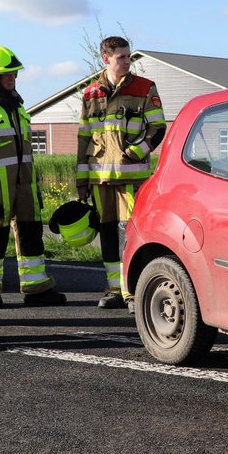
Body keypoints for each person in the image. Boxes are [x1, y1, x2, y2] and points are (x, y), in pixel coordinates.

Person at [0, 45, 66, 308]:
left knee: (30, 236)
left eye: (14, 74)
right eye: (7, 74)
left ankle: (35, 288)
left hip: (24, 187)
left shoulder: (16, 105)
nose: (12, 78)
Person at [75, 36, 165, 307]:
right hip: (101, 178)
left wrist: (135, 152)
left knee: (130, 233)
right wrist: (81, 181)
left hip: (132, 177)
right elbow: (83, 139)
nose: (127, 62)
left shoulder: (144, 88)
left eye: (128, 57)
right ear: (106, 58)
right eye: (121, 57)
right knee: (107, 232)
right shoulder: (90, 94)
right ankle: (114, 289)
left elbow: (158, 128)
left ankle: (131, 291)